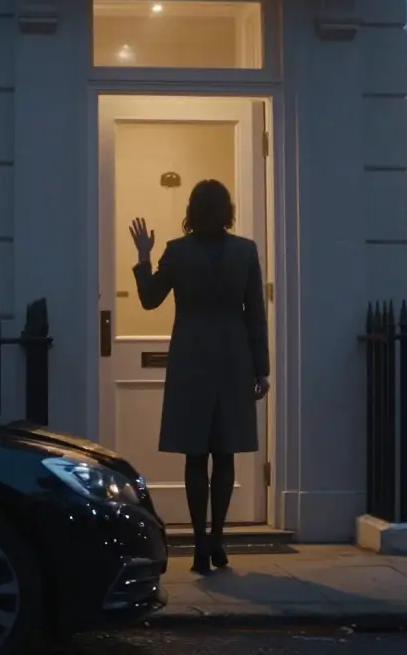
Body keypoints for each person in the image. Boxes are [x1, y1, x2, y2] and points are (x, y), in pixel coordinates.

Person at [128, 179, 270, 575]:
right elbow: (255, 314)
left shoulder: (177, 252)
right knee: (225, 453)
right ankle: (217, 539)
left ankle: (198, 546)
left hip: (190, 357)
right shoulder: (245, 251)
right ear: (227, 209)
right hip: (233, 358)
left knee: (196, 454)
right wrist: (262, 368)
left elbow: (149, 298)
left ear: (191, 208)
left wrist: (143, 256)